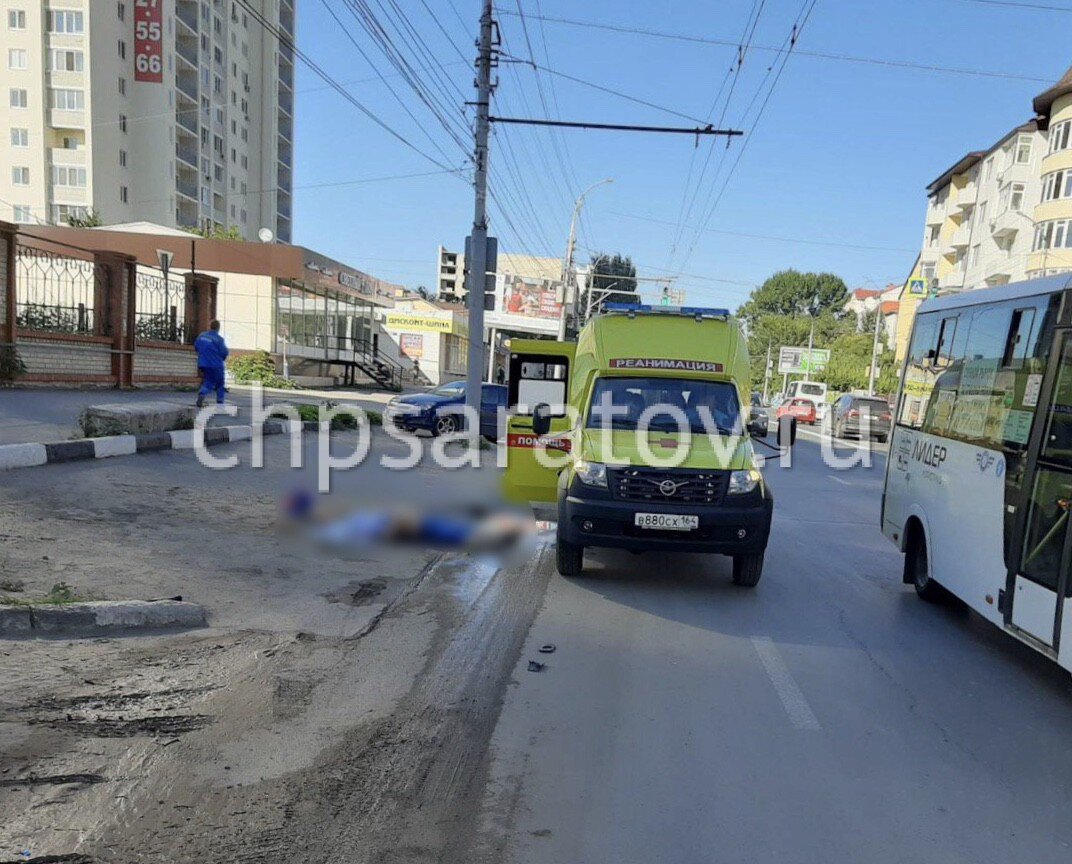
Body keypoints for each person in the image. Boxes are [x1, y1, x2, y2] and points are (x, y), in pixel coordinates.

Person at [194, 320, 229, 408]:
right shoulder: (219, 339)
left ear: (209, 326)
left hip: (203, 363)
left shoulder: (201, 336)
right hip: (216, 364)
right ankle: (218, 402)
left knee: (208, 379)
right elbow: (224, 352)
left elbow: (196, 347)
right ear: (218, 328)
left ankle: (203, 394)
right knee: (219, 383)